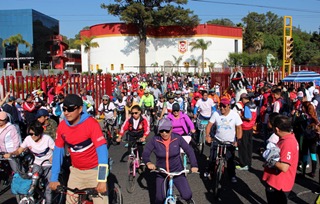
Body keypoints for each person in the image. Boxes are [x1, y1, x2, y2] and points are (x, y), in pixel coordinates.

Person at [49, 94, 109, 204]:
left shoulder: (91, 124)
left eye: (71, 109)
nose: (66, 113)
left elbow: (102, 151)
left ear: (80, 109)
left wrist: (102, 179)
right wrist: (54, 178)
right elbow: (58, 151)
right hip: (76, 171)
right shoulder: (62, 126)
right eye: (64, 109)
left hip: (94, 171)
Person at [142, 118, 198, 204]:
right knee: (159, 199)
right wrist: (148, 162)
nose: (164, 133)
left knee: (187, 195)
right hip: (162, 173)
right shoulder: (155, 140)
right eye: (162, 131)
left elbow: (189, 151)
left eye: (167, 130)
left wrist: (194, 165)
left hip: (177, 171)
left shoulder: (177, 138)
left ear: (171, 129)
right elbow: (145, 153)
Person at [5, 122, 54, 203]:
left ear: (40, 133)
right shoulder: (28, 139)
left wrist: (53, 157)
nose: (33, 136)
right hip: (37, 163)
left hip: (49, 164)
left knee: (49, 188)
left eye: (36, 134)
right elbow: (19, 151)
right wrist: (11, 154)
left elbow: (56, 150)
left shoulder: (47, 139)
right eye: (31, 134)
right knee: (32, 182)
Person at [262, 115, 299, 204]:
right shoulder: (286, 138)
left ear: (277, 129)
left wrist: (269, 159)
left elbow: (284, 167)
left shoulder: (288, 143)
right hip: (276, 181)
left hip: (279, 183)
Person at [205, 98, 243, 183]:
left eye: (224, 106)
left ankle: (232, 175)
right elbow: (209, 126)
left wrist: (238, 140)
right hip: (217, 140)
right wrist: (207, 136)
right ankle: (209, 172)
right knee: (212, 158)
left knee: (230, 161)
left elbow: (239, 128)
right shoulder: (216, 113)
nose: (222, 108)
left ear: (229, 106)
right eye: (220, 106)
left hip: (229, 142)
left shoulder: (235, 115)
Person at [236, 93, 257, 171]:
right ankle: (248, 162)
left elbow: (248, 118)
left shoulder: (246, 106)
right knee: (249, 146)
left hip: (245, 127)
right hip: (251, 127)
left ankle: (243, 163)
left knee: (242, 146)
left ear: (244, 99)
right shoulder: (254, 105)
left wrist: (240, 116)